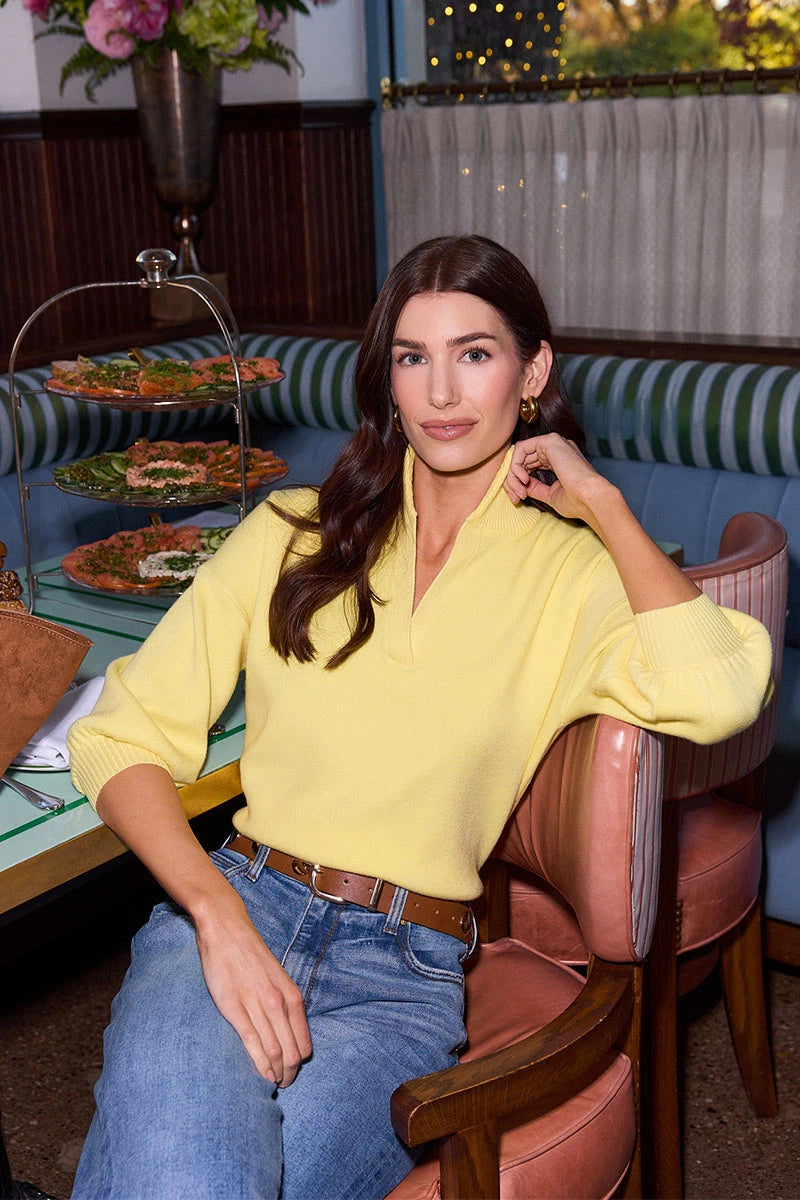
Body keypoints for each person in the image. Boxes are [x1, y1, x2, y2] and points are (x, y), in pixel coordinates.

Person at [67, 234, 772, 1200]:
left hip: (401, 975)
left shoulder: (575, 577)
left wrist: (604, 503)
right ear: (387, 380)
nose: (440, 392)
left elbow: (726, 691)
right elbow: (120, 735)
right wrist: (217, 917)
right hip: (237, 908)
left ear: (533, 373)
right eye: (412, 357)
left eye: (474, 353)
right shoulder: (291, 530)